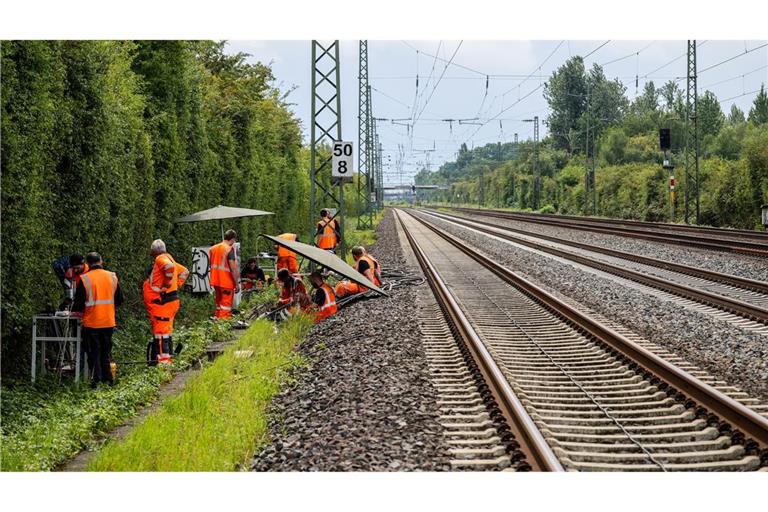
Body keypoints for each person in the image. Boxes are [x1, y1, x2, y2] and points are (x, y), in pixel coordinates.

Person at [71, 252, 123, 387]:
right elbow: (119, 300)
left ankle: (96, 380)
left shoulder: (85, 279)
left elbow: (78, 304)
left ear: (88, 264)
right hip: (108, 321)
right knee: (106, 351)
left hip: (92, 322)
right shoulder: (112, 276)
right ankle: (108, 379)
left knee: (94, 351)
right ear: (101, 261)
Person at [143, 239, 189, 365]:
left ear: (154, 252)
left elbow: (169, 267)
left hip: (162, 304)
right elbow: (185, 272)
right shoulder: (170, 259)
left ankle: (164, 363)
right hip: (170, 301)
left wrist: (167, 285)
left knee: (161, 334)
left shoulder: (161, 259)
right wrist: (176, 285)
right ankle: (168, 358)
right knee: (166, 332)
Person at [208, 229, 240, 319]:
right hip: (226, 282)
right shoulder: (229, 249)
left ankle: (217, 320)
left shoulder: (213, 248)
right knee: (226, 306)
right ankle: (223, 322)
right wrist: (236, 284)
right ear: (232, 239)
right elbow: (233, 269)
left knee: (219, 304)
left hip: (215, 280)